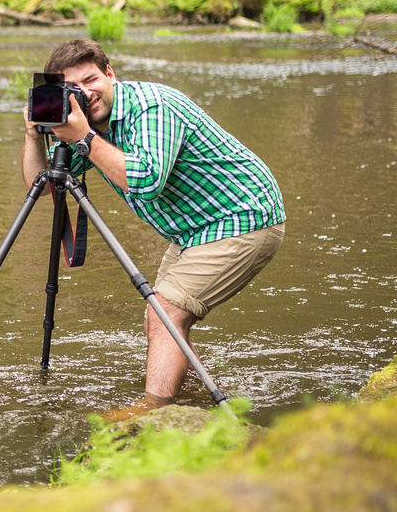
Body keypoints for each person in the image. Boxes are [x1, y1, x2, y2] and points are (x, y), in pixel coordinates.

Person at [21, 38, 285, 417]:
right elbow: (44, 186)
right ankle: (191, 405)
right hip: (195, 230)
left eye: (92, 79)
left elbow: (146, 181)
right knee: (158, 319)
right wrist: (33, 135)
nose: (86, 93)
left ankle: (151, 413)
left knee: (167, 310)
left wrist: (82, 137)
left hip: (244, 216)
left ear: (110, 74)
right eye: (73, 88)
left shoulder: (151, 107)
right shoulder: (88, 124)